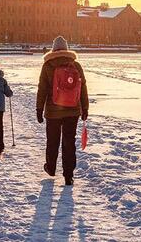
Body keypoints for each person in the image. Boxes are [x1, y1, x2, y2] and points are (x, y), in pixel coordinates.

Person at [36, 36, 89, 186]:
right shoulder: (76, 65)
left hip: (53, 111)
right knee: (69, 142)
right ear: (66, 48)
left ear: (53, 49)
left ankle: (51, 168)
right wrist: (84, 107)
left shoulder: (48, 65)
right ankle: (68, 175)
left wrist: (39, 108)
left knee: (52, 141)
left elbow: (42, 89)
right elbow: (83, 88)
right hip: (73, 110)